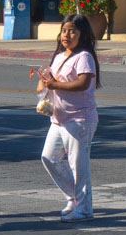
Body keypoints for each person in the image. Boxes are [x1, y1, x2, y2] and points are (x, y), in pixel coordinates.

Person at [35, 14, 100, 221]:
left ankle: (84, 209)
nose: (67, 35)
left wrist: (55, 85)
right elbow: (50, 82)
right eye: (64, 30)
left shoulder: (84, 57)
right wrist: (45, 80)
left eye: (72, 31)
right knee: (49, 158)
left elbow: (83, 83)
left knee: (78, 165)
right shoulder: (59, 56)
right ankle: (73, 197)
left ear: (82, 34)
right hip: (58, 118)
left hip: (79, 119)